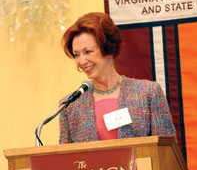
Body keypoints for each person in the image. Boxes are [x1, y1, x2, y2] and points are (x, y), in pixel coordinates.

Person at [59, 12, 175, 144]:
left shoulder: (148, 93)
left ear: (107, 49)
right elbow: (66, 160)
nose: (82, 61)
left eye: (88, 52)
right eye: (76, 55)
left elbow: (166, 152)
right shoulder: (70, 105)